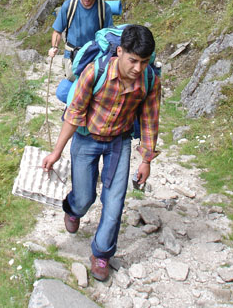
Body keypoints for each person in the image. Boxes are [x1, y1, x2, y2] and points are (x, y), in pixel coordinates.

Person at [42, 24, 161, 282]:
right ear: (119, 52)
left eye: (143, 62)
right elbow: (74, 112)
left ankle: (102, 253)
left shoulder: (149, 80)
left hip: (119, 142)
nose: (138, 68)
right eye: (133, 60)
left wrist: (146, 159)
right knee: (84, 197)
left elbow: (150, 119)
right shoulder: (95, 71)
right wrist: (56, 152)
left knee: (115, 201)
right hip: (86, 138)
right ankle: (74, 209)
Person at [48, 0, 113, 81]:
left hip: (94, 55)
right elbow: (57, 31)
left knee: (93, 81)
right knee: (74, 78)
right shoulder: (68, 6)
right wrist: (54, 47)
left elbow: (109, 35)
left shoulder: (104, 8)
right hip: (72, 55)